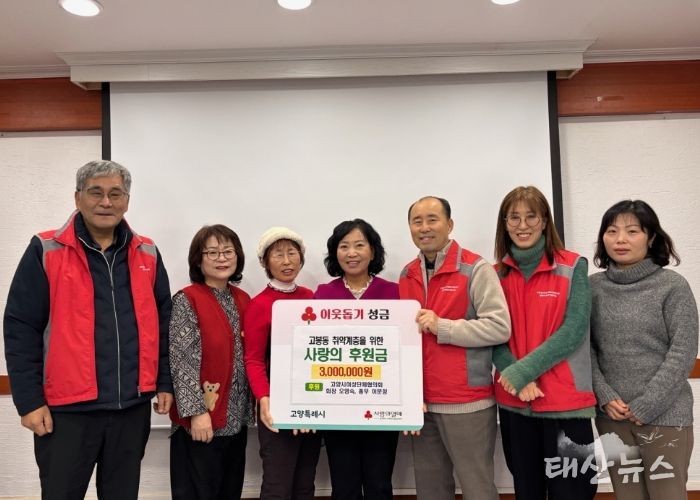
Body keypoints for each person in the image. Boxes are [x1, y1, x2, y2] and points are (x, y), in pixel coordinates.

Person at [3, 160, 173, 500]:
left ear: (127, 201)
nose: (106, 202)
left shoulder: (147, 253)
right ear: (77, 197)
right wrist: (29, 402)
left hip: (131, 409)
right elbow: (21, 328)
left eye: (115, 194)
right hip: (67, 412)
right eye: (96, 192)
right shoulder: (46, 249)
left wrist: (164, 382)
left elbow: (164, 322)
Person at [399, 196, 511, 500]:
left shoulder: (475, 268)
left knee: (478, 489)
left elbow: (499, 326)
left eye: (432, 219)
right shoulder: (407, 273)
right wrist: (408, 395)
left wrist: (443, 327)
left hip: (466, 402)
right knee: (431, 491)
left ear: (449, 225)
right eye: (417, 221)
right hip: (422, 406)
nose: (424, 227)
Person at [491, 186, 597, 500]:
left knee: (574, 492)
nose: (522, 225)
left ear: (545, 221)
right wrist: (517, 377)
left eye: (531, 217)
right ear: (505, 224)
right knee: (527, 491)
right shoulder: (494, 275)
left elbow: (574, 330)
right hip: (515, 403)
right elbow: (490, 333)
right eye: (514, 218)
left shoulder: (573, 265)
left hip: (566, 405)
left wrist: (522, 372)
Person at [590, 200, 698, 500]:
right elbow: (585, 349)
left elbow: (683, 351)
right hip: (612, 417)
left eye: (632, 231)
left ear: (650, 238)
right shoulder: (591, 288)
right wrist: (605, 396)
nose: (620, 239)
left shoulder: (672, 286)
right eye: (612, 231)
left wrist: (648, 404)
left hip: (665, 416)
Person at [314, 219, 399, 500]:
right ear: (335, 253)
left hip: (383, 406)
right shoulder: (323, 295)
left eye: (359, 245)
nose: (352, 253)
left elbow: (406, 350)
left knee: (379, 485)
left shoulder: (395, 293)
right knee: (344, 486)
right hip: (337, 408)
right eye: (344, 246)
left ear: (373, 251)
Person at [168, 224, 254, 500]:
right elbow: (182, 361)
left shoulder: (243, 299)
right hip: (201, 420)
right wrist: (196, 412)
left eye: (228, 251)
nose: (221, 258)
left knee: (229, 491)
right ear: (198, 259)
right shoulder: (187, 299)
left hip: (236, 419)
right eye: (212, 252)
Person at [243, 227, 322, 500]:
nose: (287, 261)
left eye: (292, 253)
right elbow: (253, 359)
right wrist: (263, 398)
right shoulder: (259, 304)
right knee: (278, 484)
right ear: (265, 262)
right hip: (276, 405)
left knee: (305, 482)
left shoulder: (312, 297)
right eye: (278, 255)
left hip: (311, 401)